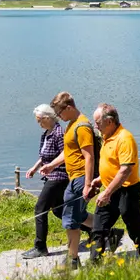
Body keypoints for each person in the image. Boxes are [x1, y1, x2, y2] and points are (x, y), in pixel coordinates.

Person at [21, 105, 93, 260]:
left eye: (40, 120)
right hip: (50, 175)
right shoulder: (47, 133)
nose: (38, 123)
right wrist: (35, 167)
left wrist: (52, 166)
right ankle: (94, 230)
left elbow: (66, 153)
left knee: (40, 209)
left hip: (59, 177)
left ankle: (40, 247)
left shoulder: (59, 132)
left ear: (47, 118)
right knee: (59, 211)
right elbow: (45, 155)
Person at [89, 103, 140, 260]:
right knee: (98, 227)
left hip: (127, 191)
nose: (95, 125)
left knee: (134, 227)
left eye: (97, 122)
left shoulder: (125, 138)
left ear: (109, 121)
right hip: (109, 189)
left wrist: (107, 192)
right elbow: (113, 165)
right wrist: (100, 179)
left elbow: (125, 170)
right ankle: (95, 263)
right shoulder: (106, 137)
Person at [41, 92, 96, 270]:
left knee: (70, 217)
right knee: (78, 215)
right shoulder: (71, 125)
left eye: (59, 113)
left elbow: (89, 157)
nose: (58, 117)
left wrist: (88, 184)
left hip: (81, 177)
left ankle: (72, 260)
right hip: (73, 177)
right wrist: (51, 165)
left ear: (69, 107)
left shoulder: (81, 126)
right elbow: (68, 152)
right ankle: (107, 230)